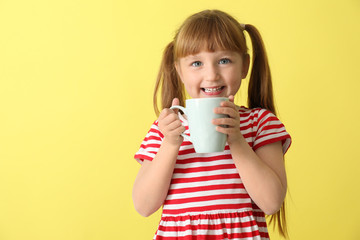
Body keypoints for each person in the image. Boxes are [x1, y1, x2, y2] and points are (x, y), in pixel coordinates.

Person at [132, 9, 292, 240]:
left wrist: (236, 139)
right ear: (179, 71)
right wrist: (170, 144)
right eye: (196, 63)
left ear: (245, 65)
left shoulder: (260, 123)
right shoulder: (165, 129)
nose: (212, 75)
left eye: (224, 60)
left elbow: (271, 202)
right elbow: (143, 206)